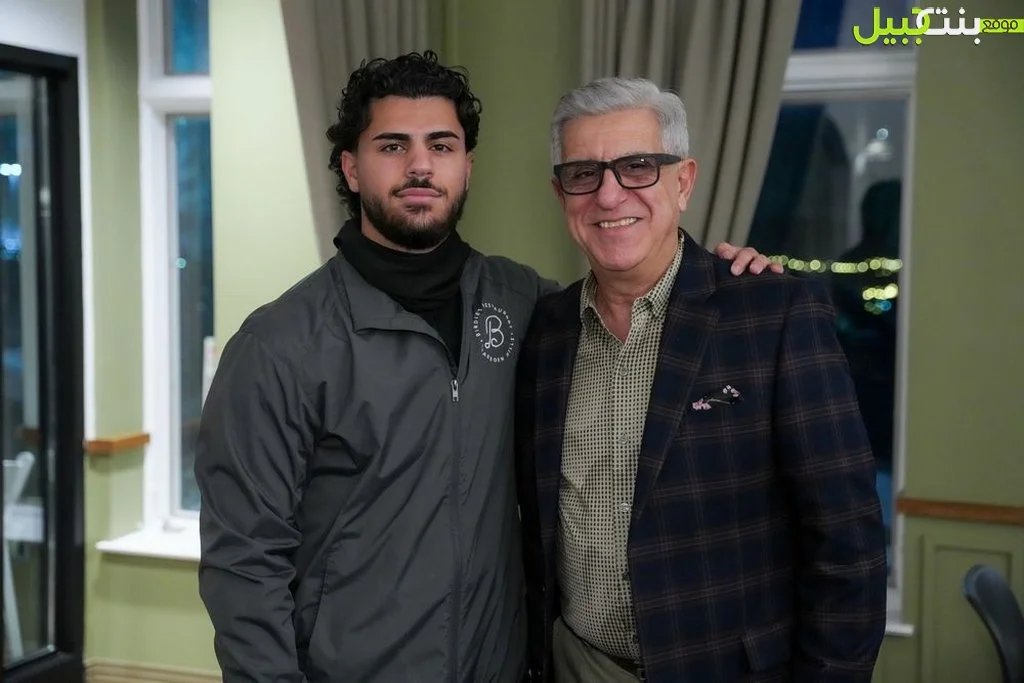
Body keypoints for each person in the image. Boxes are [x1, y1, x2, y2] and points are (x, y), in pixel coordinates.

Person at [195, 52, 773, 682]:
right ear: (351, 168)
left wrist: (727, 279)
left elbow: (636, 308)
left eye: (441, 145)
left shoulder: (528, 305)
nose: (420, 165)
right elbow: (243, 564)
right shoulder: (279, 345)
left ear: (467, 166)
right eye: (393, 145)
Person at [515, 77, 888, 683]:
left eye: (637, 166)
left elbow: (848, 544)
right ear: (561, 194)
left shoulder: (773, 315)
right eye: (584, 173)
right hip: (578, 664)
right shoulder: (545, 333)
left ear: (683, 182)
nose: (608, 194)